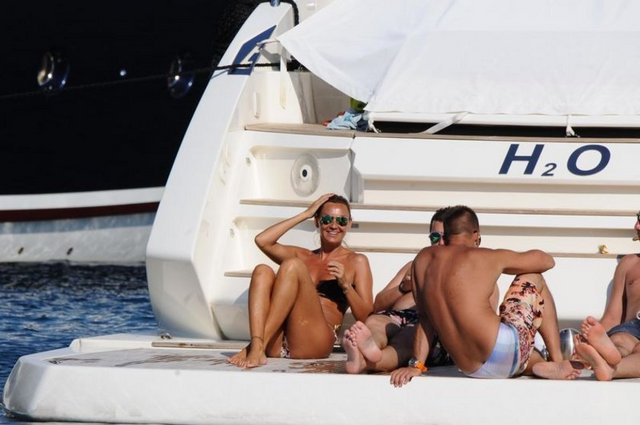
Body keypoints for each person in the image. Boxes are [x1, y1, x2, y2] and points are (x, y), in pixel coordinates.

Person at [390, 205, 578, 386]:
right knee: (535, 277)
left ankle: (538, 365)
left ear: (445, 235)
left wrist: (416, 365)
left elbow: (425, 319)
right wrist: (503, 260)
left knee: (520, 355)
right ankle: (556, 360)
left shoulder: (423, 259)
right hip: (504, 350)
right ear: (475, 235)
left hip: (471, 368)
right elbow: (546, 261)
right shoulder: (486, 256)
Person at [228, 193, 374, 368]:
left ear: (349, 224)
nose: (334, 226)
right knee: (262, 271)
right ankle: (258, 343)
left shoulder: (357, 261)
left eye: (342, 221)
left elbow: (367, 317)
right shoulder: (303, 255)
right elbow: (262, 240)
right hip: (280, 339)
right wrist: (305, 214)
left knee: (293, 265)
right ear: (317, 221)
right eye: (327, 219)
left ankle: (255, 347)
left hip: (316, 340)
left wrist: (346, 286)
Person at [342, 207, 450, 374]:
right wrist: (402, 288)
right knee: (374, 322)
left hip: (425, 327)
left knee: (408, 338)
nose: (440, 242)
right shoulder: (414, 265)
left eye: (446, 237)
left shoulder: (457, 272)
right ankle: (369, 345)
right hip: (395, 317)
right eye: (435, 237)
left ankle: (363, 362)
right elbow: (378, 304)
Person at [553, 211, 640, 380]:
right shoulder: (629, 264)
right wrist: (591, 336)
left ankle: (607, 367)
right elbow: (613, 317)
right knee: (619, 340)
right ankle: (603, 356)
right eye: (638, 219)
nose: (637, 226)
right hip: (632, 327)